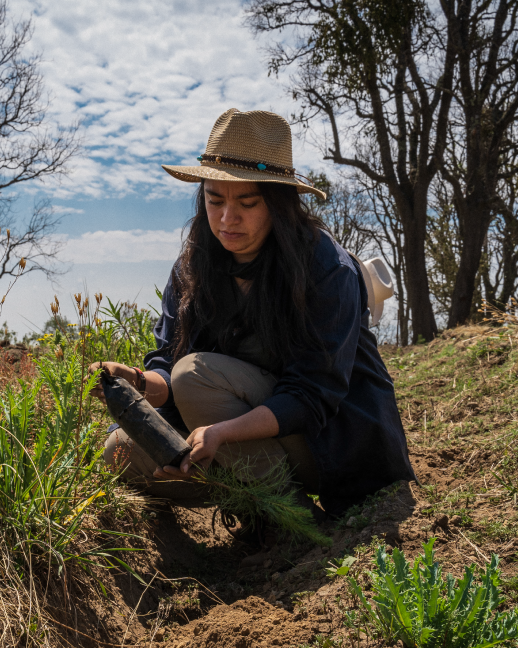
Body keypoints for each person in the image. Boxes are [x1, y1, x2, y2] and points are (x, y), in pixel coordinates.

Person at [90, 108, 415, 519]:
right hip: (234, 434)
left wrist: (222, 434)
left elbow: (310, 396)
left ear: (279, 204)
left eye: (247, 202)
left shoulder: (325, 267)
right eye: (214, 200)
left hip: (327, 444)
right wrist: (137, 382)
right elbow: (168, 370)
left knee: (195, 377)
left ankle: (291, 520)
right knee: (117, 451)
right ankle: (245, 497)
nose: (227, 219)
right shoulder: (193, 266)